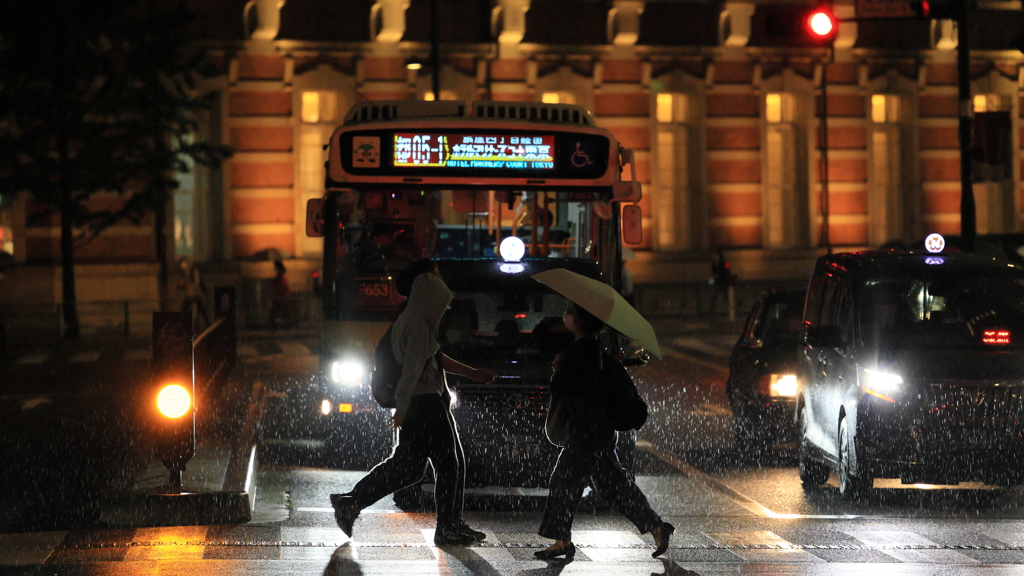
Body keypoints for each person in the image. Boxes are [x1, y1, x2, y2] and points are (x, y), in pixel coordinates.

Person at [329, 266, 498, 546]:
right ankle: (448, 526)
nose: (444, 309)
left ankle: (352, 502)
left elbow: (432, 357)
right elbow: (411, 369)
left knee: (409, 467)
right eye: (441, 303)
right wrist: (404, 406)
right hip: (425, 403)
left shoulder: (413, 321)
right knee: (449, 464)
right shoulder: (417, 324)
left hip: (423, 402)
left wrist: (471, 373)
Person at [535, 300, 674, 560]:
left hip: (586, 430)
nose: (563, 315)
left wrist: (557, 371)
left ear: (577, 321)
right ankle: (657, 527)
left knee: (563, 481)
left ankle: (562, 540)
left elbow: (573, 389)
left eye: (568, 312)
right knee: (613, 485)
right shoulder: (594, 349)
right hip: (600, 429)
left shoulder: (581, 351)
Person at [177, 257, 209, 329]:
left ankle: (207, 323)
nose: (182, 266)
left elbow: (196, 283)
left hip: (195, 294)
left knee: (201, 309)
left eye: (183, 264)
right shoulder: (185, 272)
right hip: (189, 294)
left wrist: (198, 291)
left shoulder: (193, 271)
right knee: (187, 308)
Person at [270, 260, 291, 327]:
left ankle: (275, 324)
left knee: (277, 310)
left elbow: (280, 285)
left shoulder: (280, 276)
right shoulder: (281, 275)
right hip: (281, 295)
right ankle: (286, 323)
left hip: (281, 296)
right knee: (282, 310)